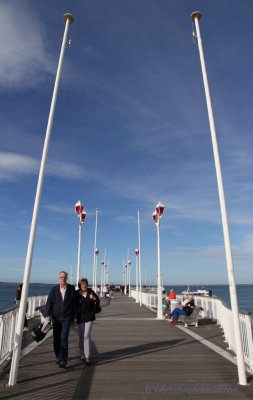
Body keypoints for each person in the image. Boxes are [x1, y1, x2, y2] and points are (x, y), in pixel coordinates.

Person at [45, 271, 75, 368]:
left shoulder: (71, 289)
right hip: (56, 318)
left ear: (67, 278)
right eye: (61, 277)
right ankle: (58, 356)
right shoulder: (54, 289)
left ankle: (63, 359)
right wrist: (48, 314)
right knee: (56, 339)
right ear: (59, 278)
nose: (63, 279)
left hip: (67, 317)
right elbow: (49, 303)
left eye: (65, 277)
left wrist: (74, 317)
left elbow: (74, 304)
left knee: (63, 337)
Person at [74, 278, 100, 365]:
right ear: (79, 285)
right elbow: (74, 306)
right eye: (82, 284)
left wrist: (94, 299)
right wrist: (74, 317)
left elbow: (98, 301)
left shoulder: (91, 292)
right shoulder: (76, 294)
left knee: (87, 336)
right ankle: (82, 355)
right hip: (80, 317)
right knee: (81, 337)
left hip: (89, 317)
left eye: (85, 284)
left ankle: (87, 356)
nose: (84, 285)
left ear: (87, 284)